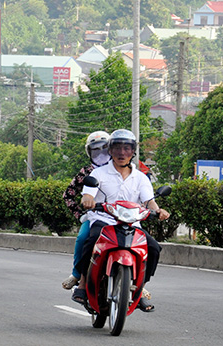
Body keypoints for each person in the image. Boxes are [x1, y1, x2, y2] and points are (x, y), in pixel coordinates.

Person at [72, 129, 170, 312]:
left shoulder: (141, 178)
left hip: (133, 223)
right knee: (90, 241)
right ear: (110, 150)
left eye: (127, 148)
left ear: (133, 151)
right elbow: (88, 192)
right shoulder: (98, 174)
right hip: (103, 221)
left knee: (154, 248)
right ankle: (83, 284)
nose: (122, 153)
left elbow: (149, 201)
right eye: (117, 148)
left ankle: (139, 290)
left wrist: (158, 211)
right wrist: (87, 199)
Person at [61, 131, 110, 290]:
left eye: (104, 148)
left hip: (122, 216)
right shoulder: (86, 172)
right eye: (95, 150)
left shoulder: (123, 169)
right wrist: (81, 215)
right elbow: (68, 195)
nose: (100, 153)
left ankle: (135, 282)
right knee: (83, 238)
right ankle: (77, 274)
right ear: (89, 152)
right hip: (95, 216)